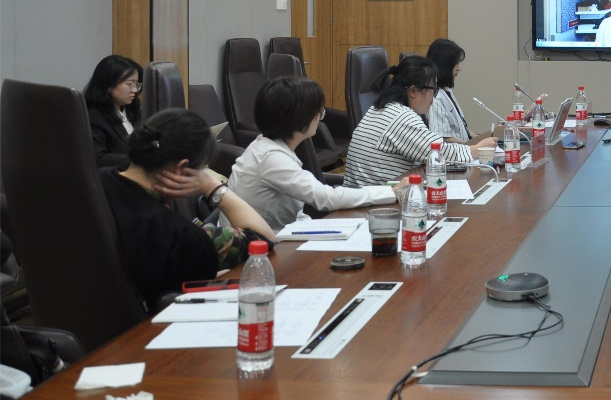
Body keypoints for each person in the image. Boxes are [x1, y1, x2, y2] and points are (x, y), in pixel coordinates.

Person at [99, 108, 275, 308]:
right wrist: (211, 185)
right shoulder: (181, 236)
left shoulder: (94, 183)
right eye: (202, 169)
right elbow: (264, 239)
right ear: (181, 169)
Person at [228, 76, 407, 232]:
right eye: (318, 112)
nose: (320, 117)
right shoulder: (271, 158)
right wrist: (391, 192)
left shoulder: (268, 147)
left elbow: (298, 213)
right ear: (299, 117)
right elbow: (325, 198)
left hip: (279, 237)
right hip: (260, 249)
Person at [343, 56, 498, 188]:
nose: (434, 98)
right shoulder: (401, 117)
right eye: (433, 90)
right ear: (413, 91)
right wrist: (478, 149)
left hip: (371, 196)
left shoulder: (382, 108)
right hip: (376, 203)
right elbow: (438, 152)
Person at [85, 55, 144, 171]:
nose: (134, 90)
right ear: (108, 85)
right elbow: (99, 159)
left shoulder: (132, 111)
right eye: (130, 84)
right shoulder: (93, 117)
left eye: (137, 84)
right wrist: (141, 159)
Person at [425, 38, 477, 143]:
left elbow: (462, 127)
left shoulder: (446, 90)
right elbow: (442, 139)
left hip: (465, 147)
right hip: (455, 151)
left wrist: (480, 139)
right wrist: (474, 146)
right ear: (444, 64)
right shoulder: (435, 98)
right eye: (456, 63)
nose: (459, 68)